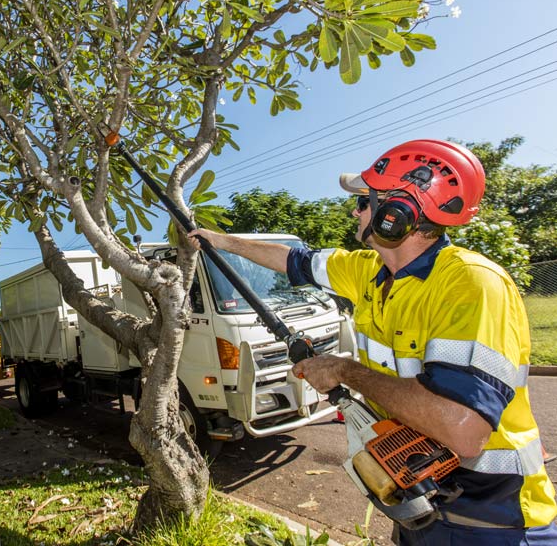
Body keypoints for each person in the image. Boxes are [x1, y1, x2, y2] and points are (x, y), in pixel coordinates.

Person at [188, 139, 557, 544]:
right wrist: (220, 241)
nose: (354, 210)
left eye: (364, 202)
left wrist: (345, 371)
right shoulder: (367, 270)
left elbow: (464, 431)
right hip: (419, 503)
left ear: (397, 214)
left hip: (491, 522)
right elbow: (292, 260)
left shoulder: (471, 283)